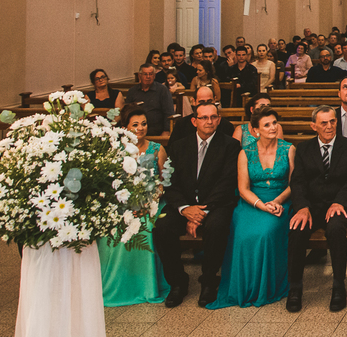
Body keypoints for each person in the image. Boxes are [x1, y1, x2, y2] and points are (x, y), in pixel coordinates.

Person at [207, 107, 294, 309]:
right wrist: (262, 206)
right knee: (243, 234)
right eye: (267, 125)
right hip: (252, 201)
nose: (273, 127)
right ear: (255, 130)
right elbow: (243, 188)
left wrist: (277, 202)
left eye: (274, 123)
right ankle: (243, 286)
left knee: (265, 233)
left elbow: (294, 184)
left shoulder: (288, 149)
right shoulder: (245, 153)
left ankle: (266, 286)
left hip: (281, 200)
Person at [156, 101, 240, 307]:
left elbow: (227, 182)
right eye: (204, 117)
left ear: (218, 120)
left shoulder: (230, 145)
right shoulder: (178, 146)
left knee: (216, 227)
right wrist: (185, 209)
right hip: (184, 204)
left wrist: (203, 211)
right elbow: (169, 182)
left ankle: (209, 281)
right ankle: (178, 282)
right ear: (194, 121)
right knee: (162, 227)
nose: (209, 121)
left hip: (216, 203)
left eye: (213, 117)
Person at [286, 106, 347, 313]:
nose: (329, 126)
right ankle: (295, 288)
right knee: (297, 229)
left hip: (339, 205)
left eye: (332, 121)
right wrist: (302, 207)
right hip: (312, 206)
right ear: (314, 126)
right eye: (324, 123)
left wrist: (340, 202)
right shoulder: (303, 149)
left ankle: (338, 286)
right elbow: (298, 182)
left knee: (336, 230)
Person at [97, 107, 168, 306]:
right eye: (135, 124)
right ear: (125, 127)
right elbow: (111, 182)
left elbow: (164, 181)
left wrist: (151, 200)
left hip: (152, 202)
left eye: (144, 124)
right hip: (123, 202)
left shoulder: (157, 149)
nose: (140, 128)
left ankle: (145, 285)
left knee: (145, 227)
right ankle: (117, 283)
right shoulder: (117, 149)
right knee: (113, 230)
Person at [124, 64, 174, 135]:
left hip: (157, 131)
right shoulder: (132, 91)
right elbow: (126, 112)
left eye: (151, 74)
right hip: (136, 131)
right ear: (139, 76)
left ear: (154, 76)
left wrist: (166, 130)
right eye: (145, 74)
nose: (148, 77)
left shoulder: (162, 90)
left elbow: (169, 112)